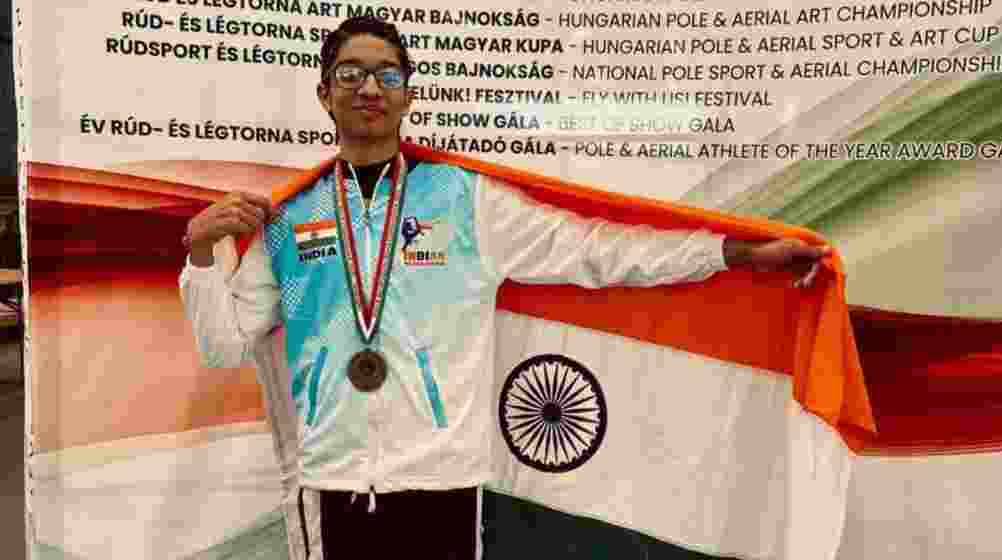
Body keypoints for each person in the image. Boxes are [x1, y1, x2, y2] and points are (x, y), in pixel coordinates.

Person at [178, 15, 829, 560]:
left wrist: (735, 252)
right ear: (325, 94)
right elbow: (224, 348)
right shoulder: (291, 221)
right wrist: (202, 253)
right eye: (351, 73)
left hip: (446, 488)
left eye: (388, 74)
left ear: (409, 96)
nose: (369, 86)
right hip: (331, 493)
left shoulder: (466, 203)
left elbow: (598, 252)